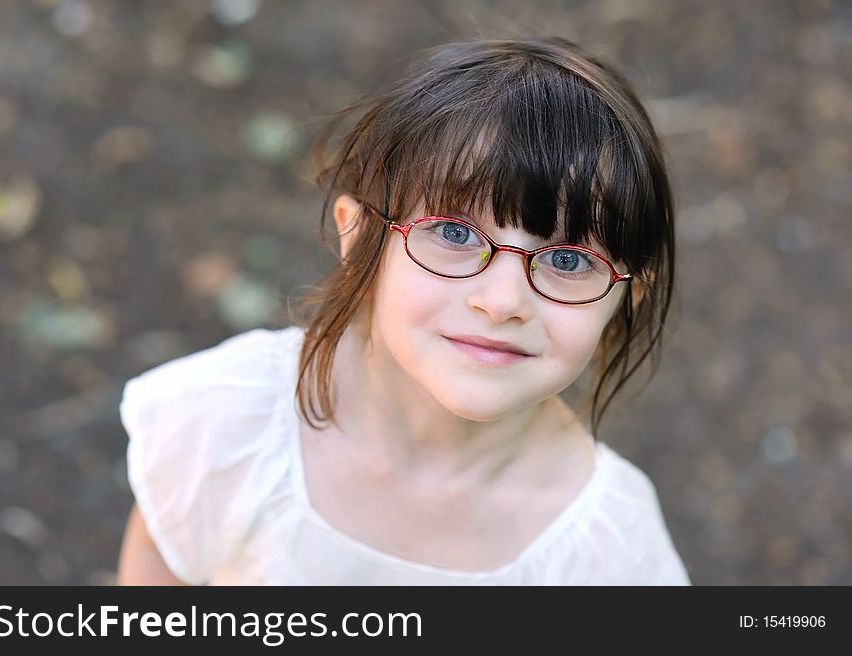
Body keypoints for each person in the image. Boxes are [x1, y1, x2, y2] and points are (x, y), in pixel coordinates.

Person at [117, 36, 691, 585]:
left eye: (567, 261)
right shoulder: (233, 423)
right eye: (453, 231)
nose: (501, 302)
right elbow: (159, 554)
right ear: (359, 237)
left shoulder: (610, 552)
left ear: (624, 299)